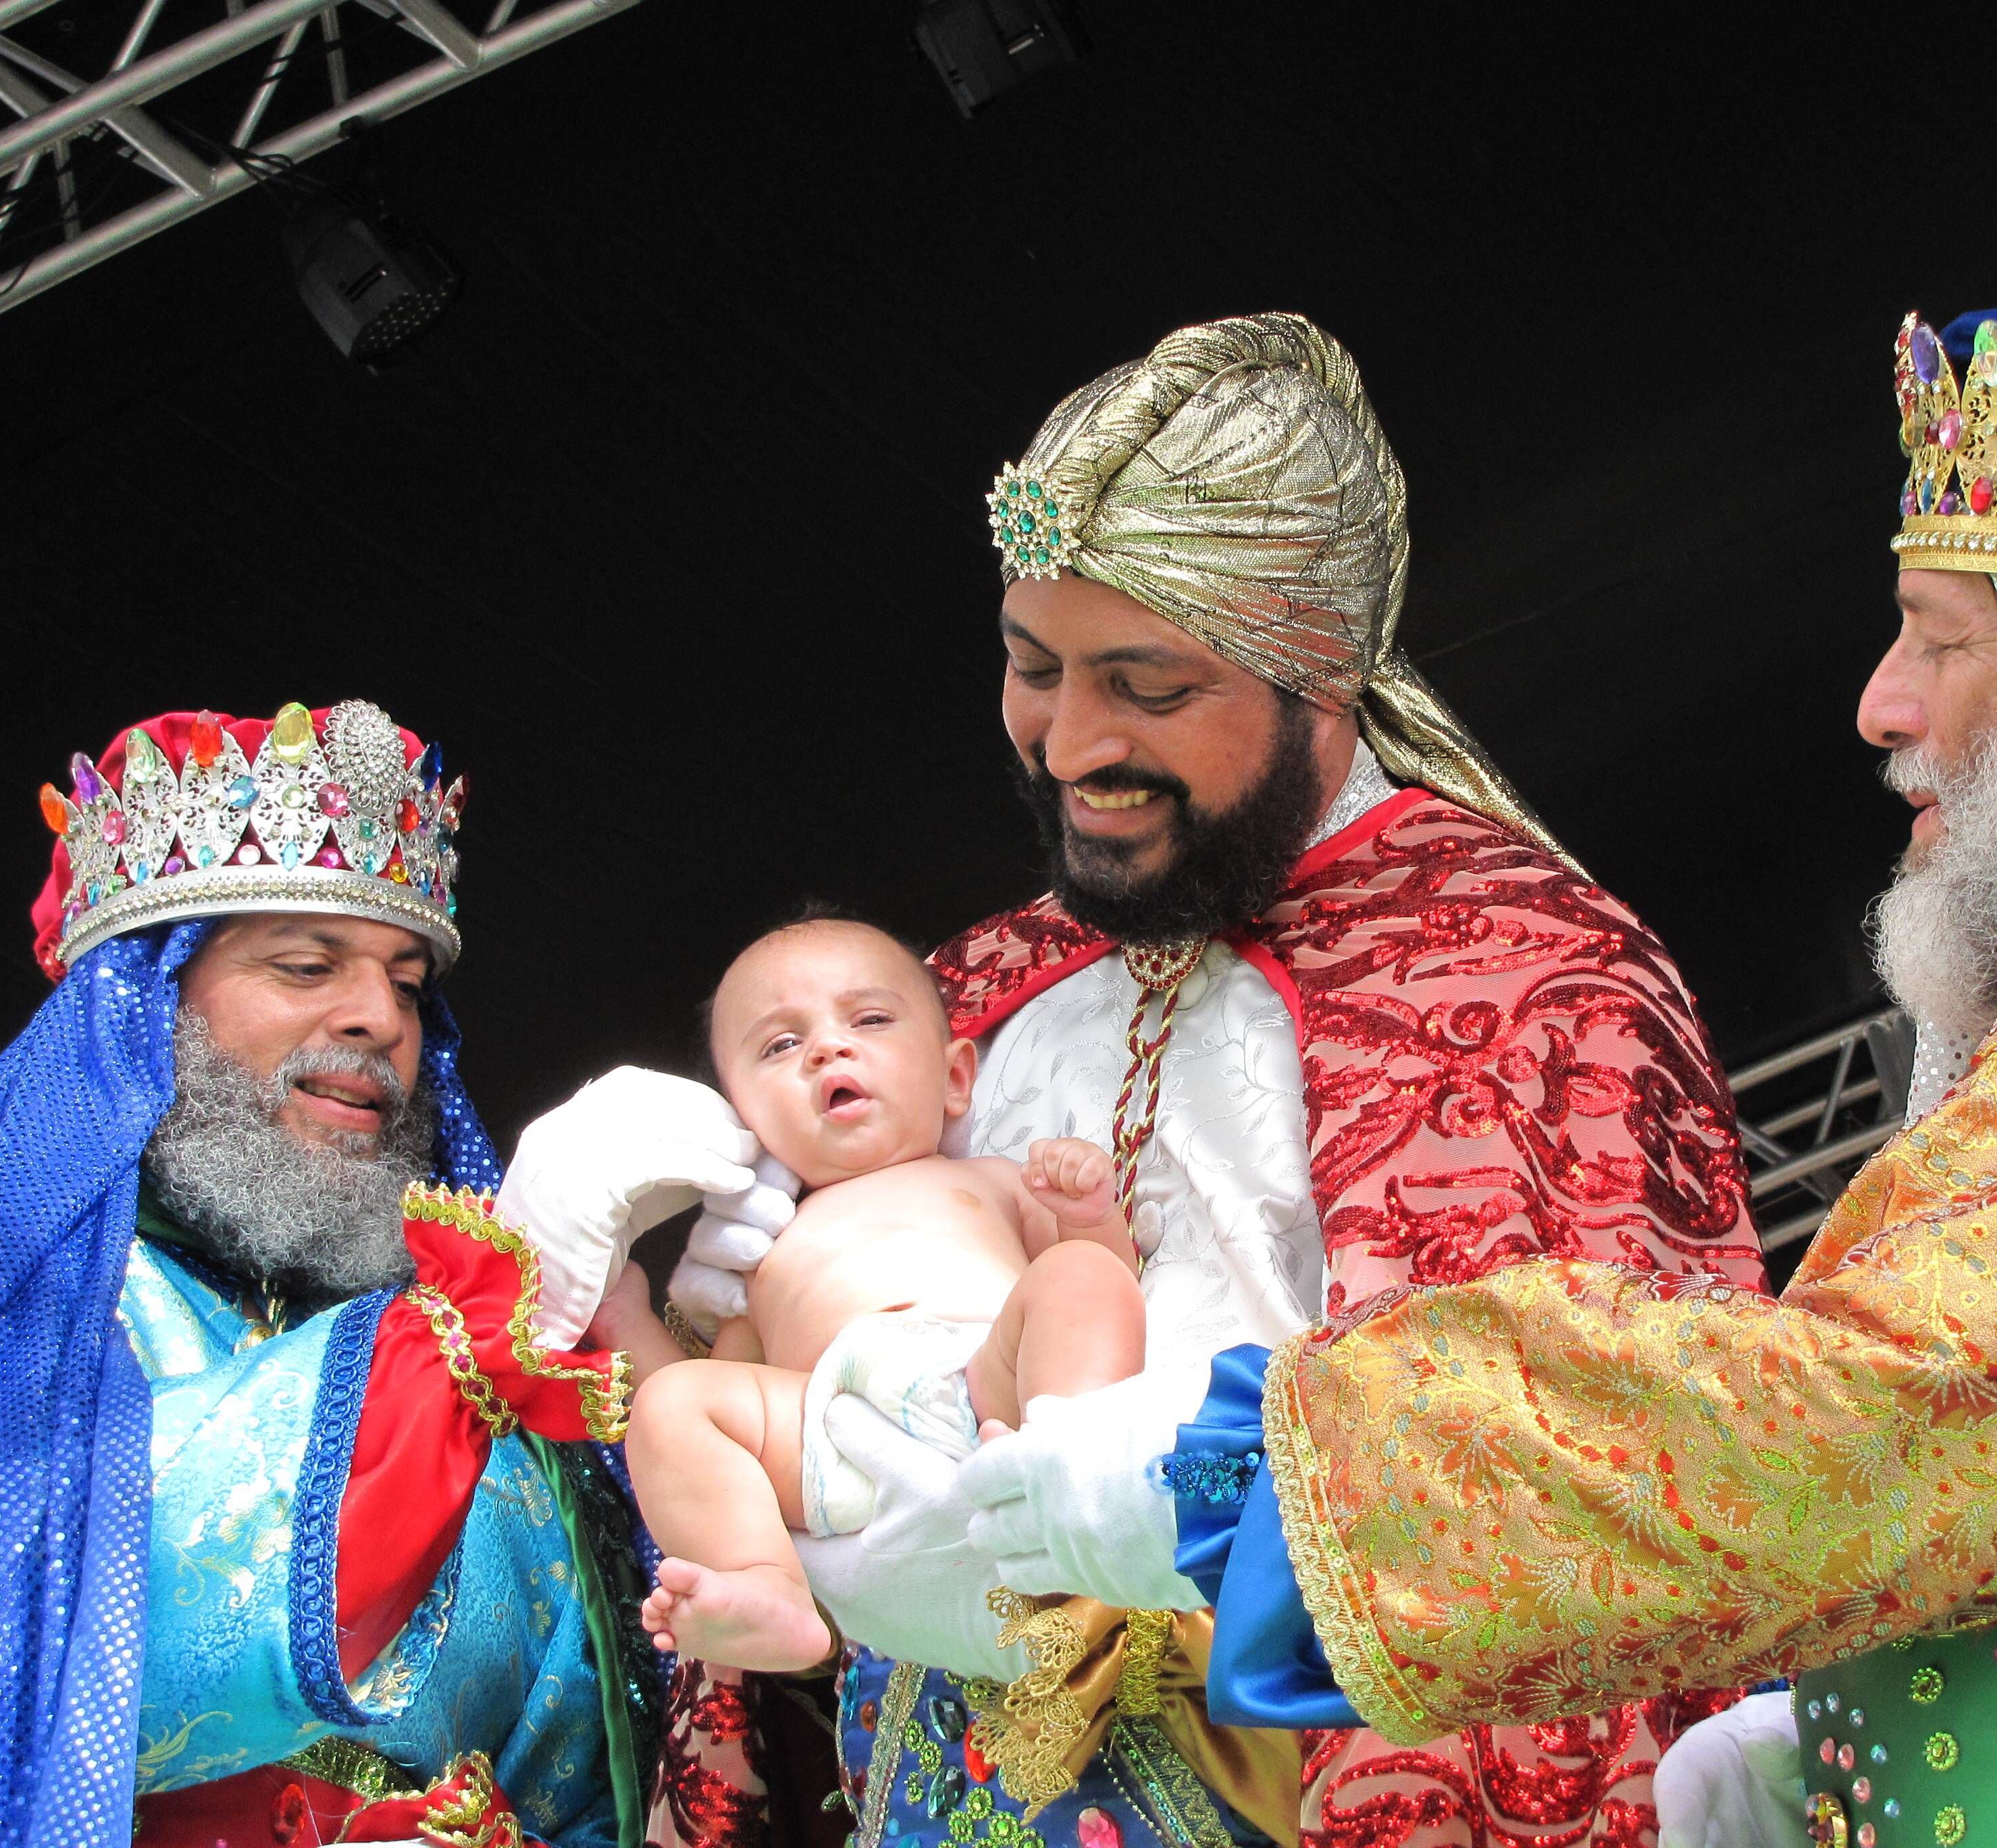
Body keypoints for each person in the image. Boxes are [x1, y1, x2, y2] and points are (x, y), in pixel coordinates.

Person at [959, 306, 1997, 1848]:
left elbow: (1890, 1417)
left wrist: (1233, 1472)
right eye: (1036, 665)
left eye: (1944, 638)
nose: (1880, 702)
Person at [629, 312, 1761, 1848]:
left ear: (1321, 673)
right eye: (1032, 668)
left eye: (1143, 684)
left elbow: (1570, 1481)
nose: (1070, 740)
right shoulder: (960, 990)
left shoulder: (1519, 976)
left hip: (1298, 1766)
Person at [0, 700, 721, 1847]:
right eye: (306, 964)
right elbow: (42, 1630)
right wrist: (477, 1318)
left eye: (406, 982)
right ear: (145, 1001)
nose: (377, 1017)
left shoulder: (482, 1339)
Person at [625, 915, 1144, 1671]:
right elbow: (723, 1406)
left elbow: (1109, 1287)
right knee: (671, 1404)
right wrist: (626, 1316)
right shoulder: (763, 1254)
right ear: (745, 1124)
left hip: (985, 1385)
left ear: (956, 1077)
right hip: (836, 1428)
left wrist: (1091, 1217)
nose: (828, 1049)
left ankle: (1067, 1465)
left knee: (1080, 1276)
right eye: (780, 1045)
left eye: (868, 1019)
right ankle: (769, 1586)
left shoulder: (991, 1181)